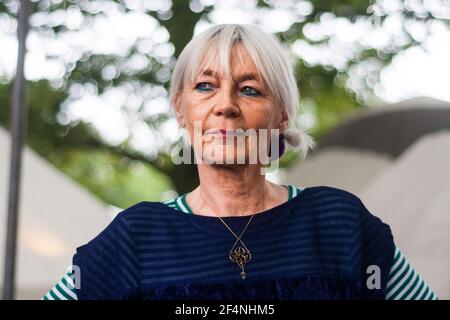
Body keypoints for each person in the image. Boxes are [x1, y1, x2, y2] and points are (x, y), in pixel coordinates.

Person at [42, 24, 437, 300]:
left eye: (250, 90)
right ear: (181, 109)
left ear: (281, 115)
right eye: (205, 86)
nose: (226, 105)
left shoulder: (339, 224)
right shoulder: (135, 237)